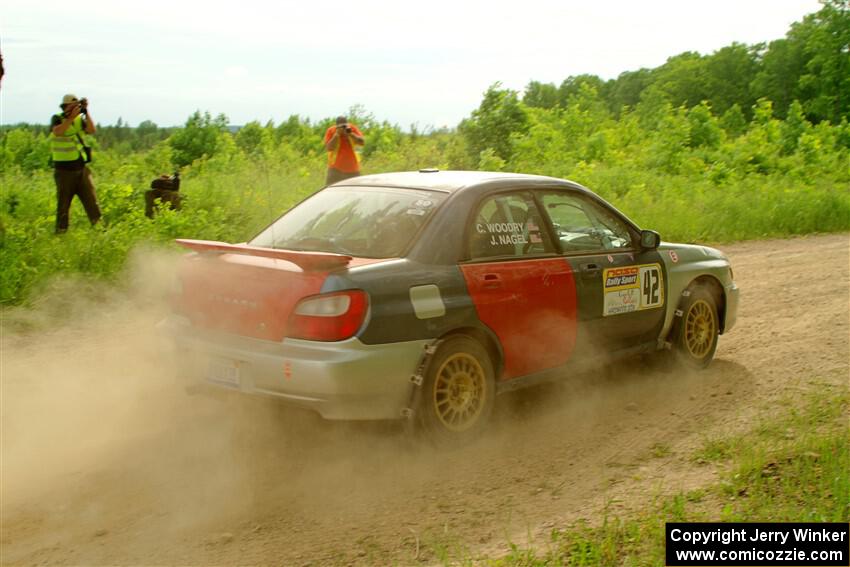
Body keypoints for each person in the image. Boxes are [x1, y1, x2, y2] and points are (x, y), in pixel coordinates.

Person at [50, 94, 101, 233]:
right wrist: (70, 118)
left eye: (77, 105)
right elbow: (58, 132)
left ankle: (100, 230)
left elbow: (91, 130)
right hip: (64, 172)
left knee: (92, 203)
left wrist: (86, 111)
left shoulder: (79, 120)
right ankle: (61, 233)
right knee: (63, 207)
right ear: (66, 106)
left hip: (81, 170)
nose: (75, 108)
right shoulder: (57, 118)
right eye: (73, 105)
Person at [323, 115, 365, 186]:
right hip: (335, 169)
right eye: (341, 127)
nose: (343, 128)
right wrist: (337, 135)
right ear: (336, 126)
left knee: (354, 193)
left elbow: (362, 142)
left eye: (344, 126)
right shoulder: (331, 131)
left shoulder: (352, 129)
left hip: (353, 170)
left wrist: (351, 134)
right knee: (330, 191)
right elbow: (329, 147)